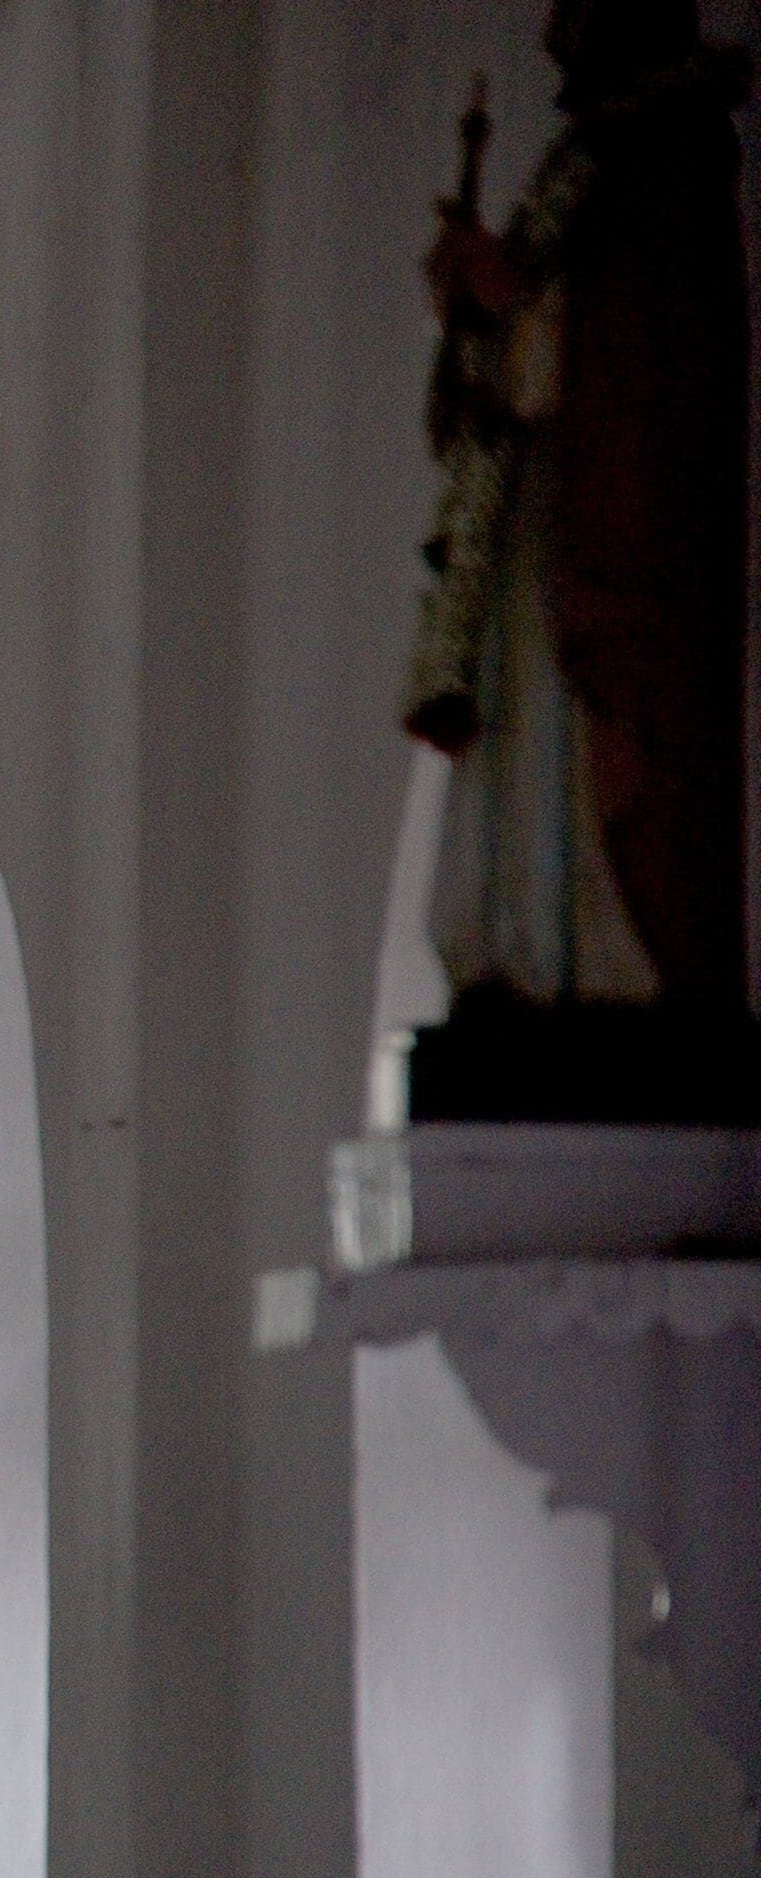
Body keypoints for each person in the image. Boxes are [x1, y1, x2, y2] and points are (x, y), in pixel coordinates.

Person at [405, 0, 755, 1117]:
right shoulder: (583, 162)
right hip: (542, 512)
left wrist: (515, 301)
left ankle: (607, 969)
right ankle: (520, 958)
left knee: (595, 761)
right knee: (517, 751)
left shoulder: (672, 155)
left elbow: (651, 345)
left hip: (612, 526)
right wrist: (473, 312)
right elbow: (519, 353)